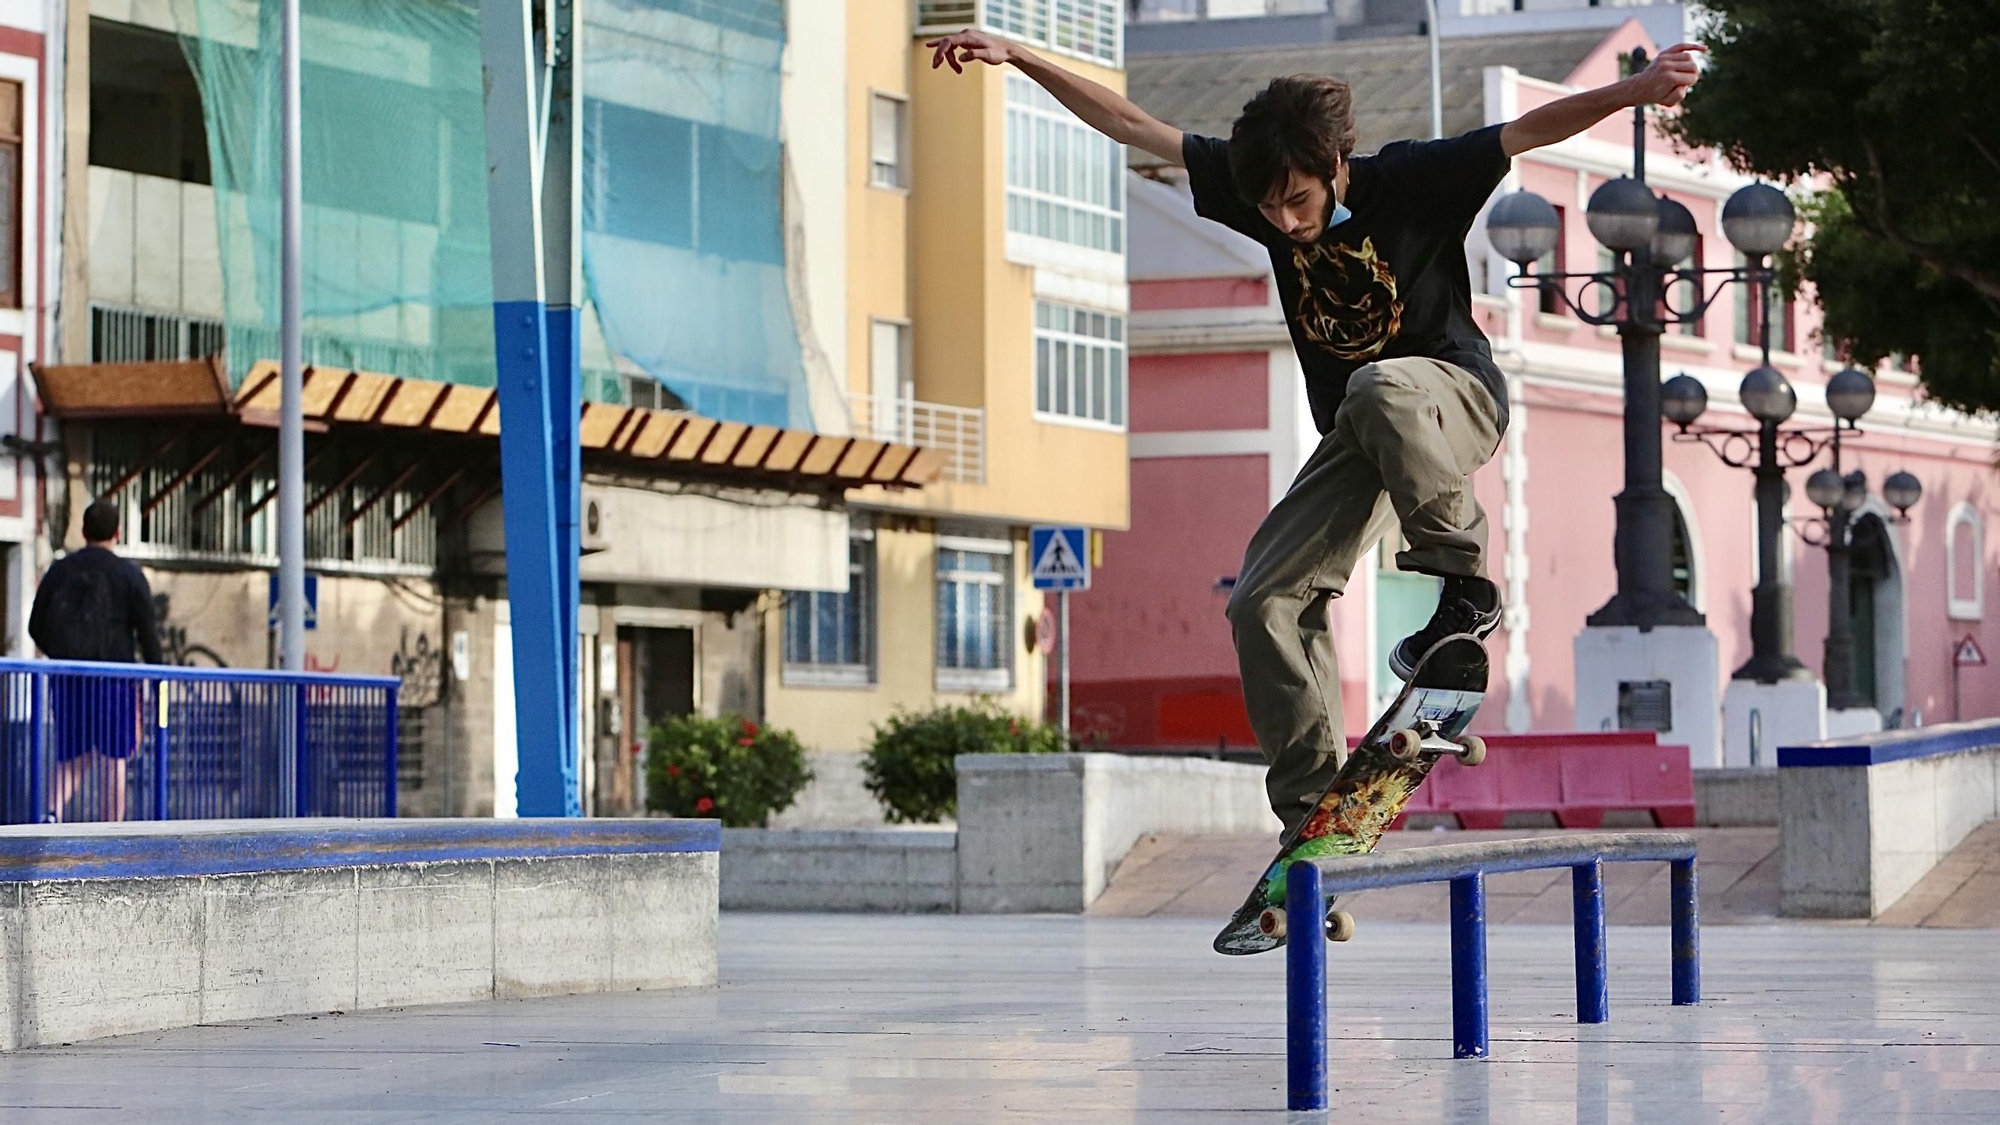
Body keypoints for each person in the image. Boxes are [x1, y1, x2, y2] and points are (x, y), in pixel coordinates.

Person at [926, 30, 1701, 834]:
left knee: (1377, 383)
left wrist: (1636, 89)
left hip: (1454, 401)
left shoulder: (1413, 178)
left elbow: (1529, 129)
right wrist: (1021, 57)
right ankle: (1315, 815)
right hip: (1365, 439)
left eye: (1299, 200)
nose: (1287, 222)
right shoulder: (1258, 188)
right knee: (1262, 600)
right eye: (1269, 210)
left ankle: (1465, 587)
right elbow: (1131, 125)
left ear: (1334, 164)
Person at [28, 499, 164, 822]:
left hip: (69, 681)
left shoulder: (60, 570)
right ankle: (111, 831)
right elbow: (148, 636)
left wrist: (62, 656)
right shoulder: (129, 575)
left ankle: (51, 816)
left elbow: (35, 626)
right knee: (114, 759)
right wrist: (159, 683)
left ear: (83, 530)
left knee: (72, 758)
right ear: (118, 532)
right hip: (115, 682)